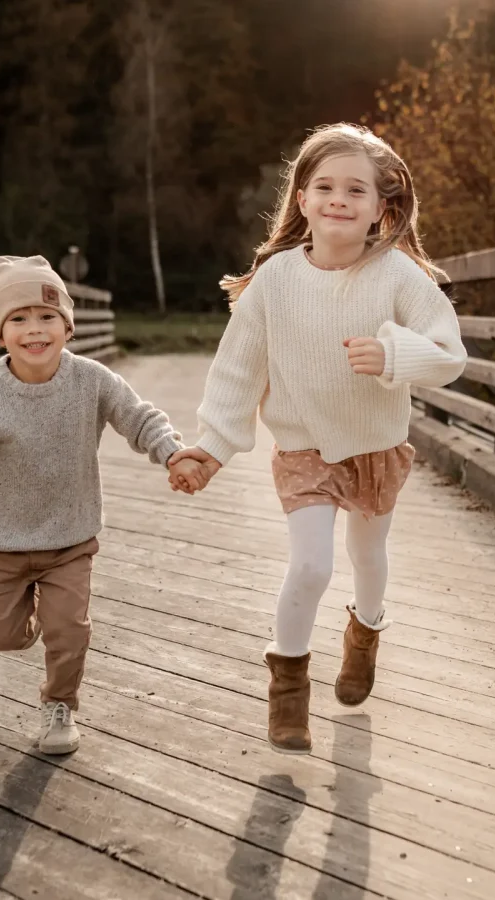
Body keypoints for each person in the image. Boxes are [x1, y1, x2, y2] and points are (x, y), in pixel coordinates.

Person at [168, 123, 467, 755]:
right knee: (310, 565)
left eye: (356, 189)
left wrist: (393, 355)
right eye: (324, 185)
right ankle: (288, 691)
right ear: (301, 199)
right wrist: (212, 448)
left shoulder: (397, 276)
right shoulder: (277, 280)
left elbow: (448, 355)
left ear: (381, 208)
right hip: (303, 449)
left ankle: (367, 631)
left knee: (367, 560)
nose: (339, 198)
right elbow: (238, 369)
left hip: (375, 447)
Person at [0, 255, 207, 755]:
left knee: (69, 629)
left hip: (70, 539)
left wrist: (172, 453)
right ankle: (24, 622)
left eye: (47, 317)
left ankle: (60, 705)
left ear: (67, 327)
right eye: (18, 319)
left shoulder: (92, 380)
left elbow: (138, 417)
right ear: (1, 334)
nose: (34, 330)